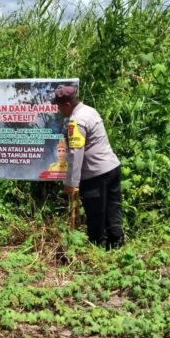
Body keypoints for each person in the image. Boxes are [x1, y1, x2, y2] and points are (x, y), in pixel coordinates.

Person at [53, 85, 124, 249]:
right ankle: (117, 244)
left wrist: (71, 182)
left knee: (95, 214)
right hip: (112, 167)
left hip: (95, 175)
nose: (58, 110)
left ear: (68, 105)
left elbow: (75, 154)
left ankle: (97, 248)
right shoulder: (90, 111)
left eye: (59, 106)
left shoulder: (76, 122)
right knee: (113, 208)